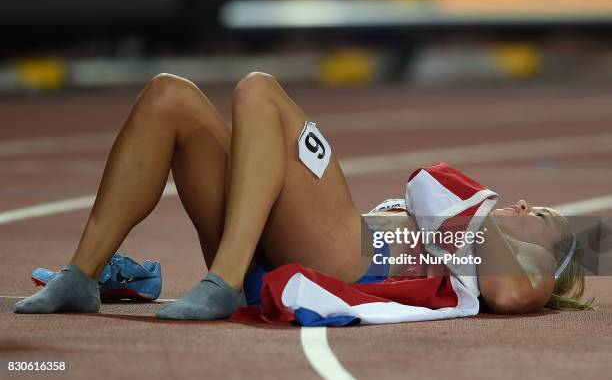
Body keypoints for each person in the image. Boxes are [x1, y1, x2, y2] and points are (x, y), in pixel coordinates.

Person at [13, 73, 591, 319]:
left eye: (538, 213)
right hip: (287, 240)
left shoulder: (533, 263)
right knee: (172, 96)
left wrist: (485, 220)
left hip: (349, 256)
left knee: (259, 90)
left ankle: (224, 281)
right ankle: (80, 277)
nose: (521, 205)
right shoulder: (464, 222)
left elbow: (513, 293)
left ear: (553, 250)